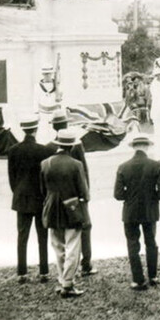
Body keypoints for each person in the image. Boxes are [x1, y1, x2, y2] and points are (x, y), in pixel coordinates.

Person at [113, 133, 160, 291]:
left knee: (132, 244)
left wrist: (130, 197)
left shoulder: (123, 167)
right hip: (150, 210)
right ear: (147, 147)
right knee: (151, 242)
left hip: (130, 211)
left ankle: (138, 280)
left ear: (134, 148)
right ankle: (153, 276)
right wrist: (152, 198)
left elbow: (118, 194)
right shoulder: (155, 166)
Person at [40, 129, 90, 298]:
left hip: (51, 208)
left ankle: (63, 280)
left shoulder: (45, 163)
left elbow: (42, 190)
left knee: (58, 246)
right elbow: (84, 192)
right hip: (71, 208)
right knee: (73, 246)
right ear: (71, 146)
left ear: (58, 144)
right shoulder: (76, 164)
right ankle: (68, 283)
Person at [47, 113, 96, 276]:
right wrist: (86, 195)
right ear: (66, 124)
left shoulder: (49, 147)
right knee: (84, 227)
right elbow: (84, 171)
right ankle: (86, 264)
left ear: (53, 127)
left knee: (60, 233)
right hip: (76, 196)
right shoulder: (76, 144)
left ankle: (64, 270)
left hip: (56, 197)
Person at [7, 115, 53, 283]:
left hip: (21, 198)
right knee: (42, 236)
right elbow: (46, 177)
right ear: (35, 130)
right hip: (40, 198)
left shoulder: (13, 150)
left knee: (22, 236)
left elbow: (12, 178)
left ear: (23, 130)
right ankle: (44, 272)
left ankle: (22, 273)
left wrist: (19, 192)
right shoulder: (44, 150)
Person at [34, 64, 62, 144]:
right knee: (43, 132)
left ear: (52, 74)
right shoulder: (37, 86)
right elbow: (35, 100)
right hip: (43, 113)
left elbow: (61, 99)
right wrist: (36, 113)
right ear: (42, 74)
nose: (47, 75)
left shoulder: (57, 85)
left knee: (54, 132)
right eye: (45, 74)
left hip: (54, 112)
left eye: (49, 73)